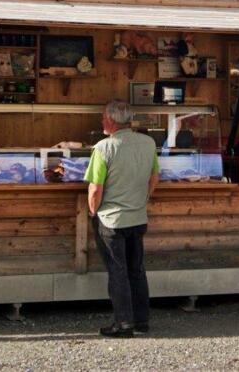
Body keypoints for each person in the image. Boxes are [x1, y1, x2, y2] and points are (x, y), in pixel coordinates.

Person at [84, 100, 160, 338]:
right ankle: (141, 321)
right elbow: (154, 177)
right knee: (136, 270)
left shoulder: (103, 147)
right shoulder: (148, 143)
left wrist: (93, 211)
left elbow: (95, 189)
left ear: (110, 120)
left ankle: (123, 323)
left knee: (118, 272)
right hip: (138, 217)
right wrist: (143, 198)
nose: (102, 121)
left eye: (103, 117)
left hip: (111, 220)